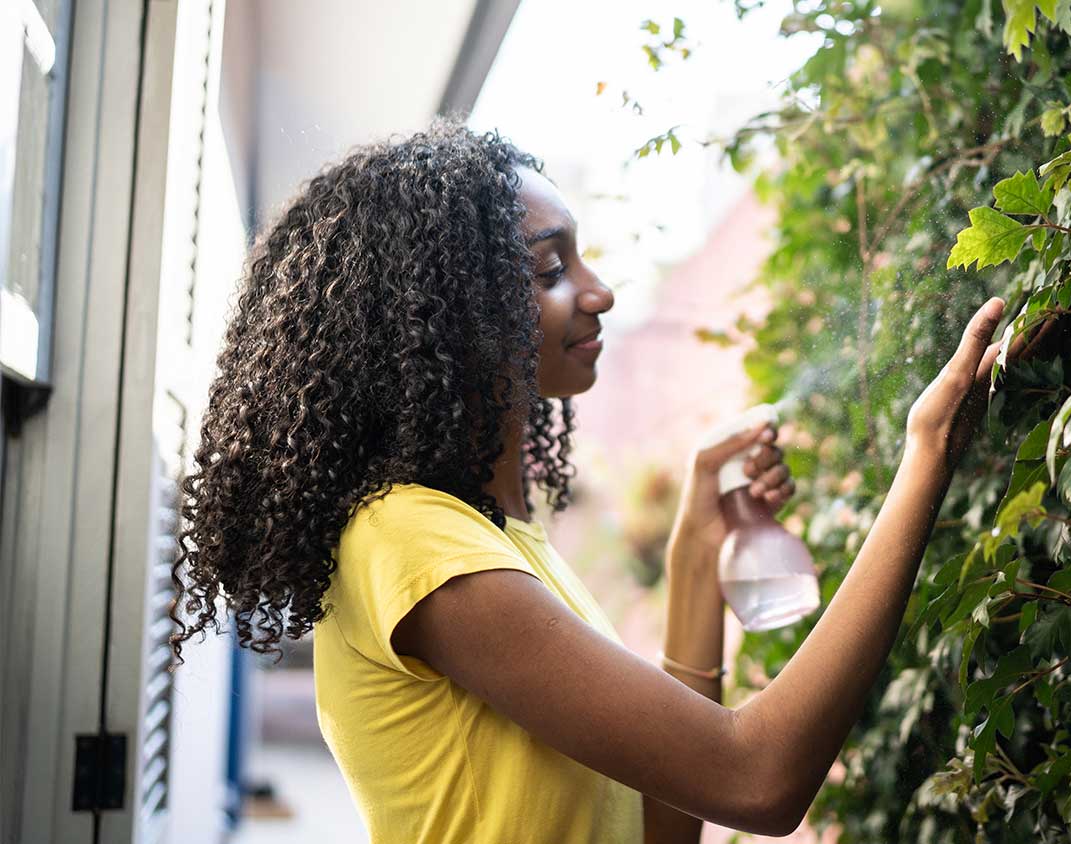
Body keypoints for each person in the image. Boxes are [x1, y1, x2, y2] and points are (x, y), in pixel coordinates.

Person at [172, 119, 1010, 844]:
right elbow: (756, 780)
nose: (600, 291)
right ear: (447, 311)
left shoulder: (499, 541)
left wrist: (694, 555)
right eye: (550, 271)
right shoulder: (411, 544)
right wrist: (926, 456)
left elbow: (666, 825)